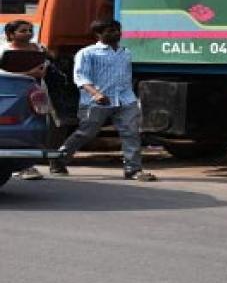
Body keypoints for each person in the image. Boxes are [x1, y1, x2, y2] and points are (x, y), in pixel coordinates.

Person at [52, 19, 156, 181]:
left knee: (131, 133)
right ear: (98, 34)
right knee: (86, 133)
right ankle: (59, 159)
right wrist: (95, 94)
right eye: (110, 30)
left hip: (125, 100)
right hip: (96, 101)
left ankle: (133, 169)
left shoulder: (125, 52)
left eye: (117, 30)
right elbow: (80, 77)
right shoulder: (87, 53)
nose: (116, 33)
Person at [2, 19, 51, 181]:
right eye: (23, 31)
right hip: (12, 91)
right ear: (11, 34)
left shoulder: (39, 48)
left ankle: (27, 164)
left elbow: (46, 67)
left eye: (30, 30)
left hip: (35, 92)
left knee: (31, 126)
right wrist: (30, 73)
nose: (28, 34)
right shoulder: (3, 50)